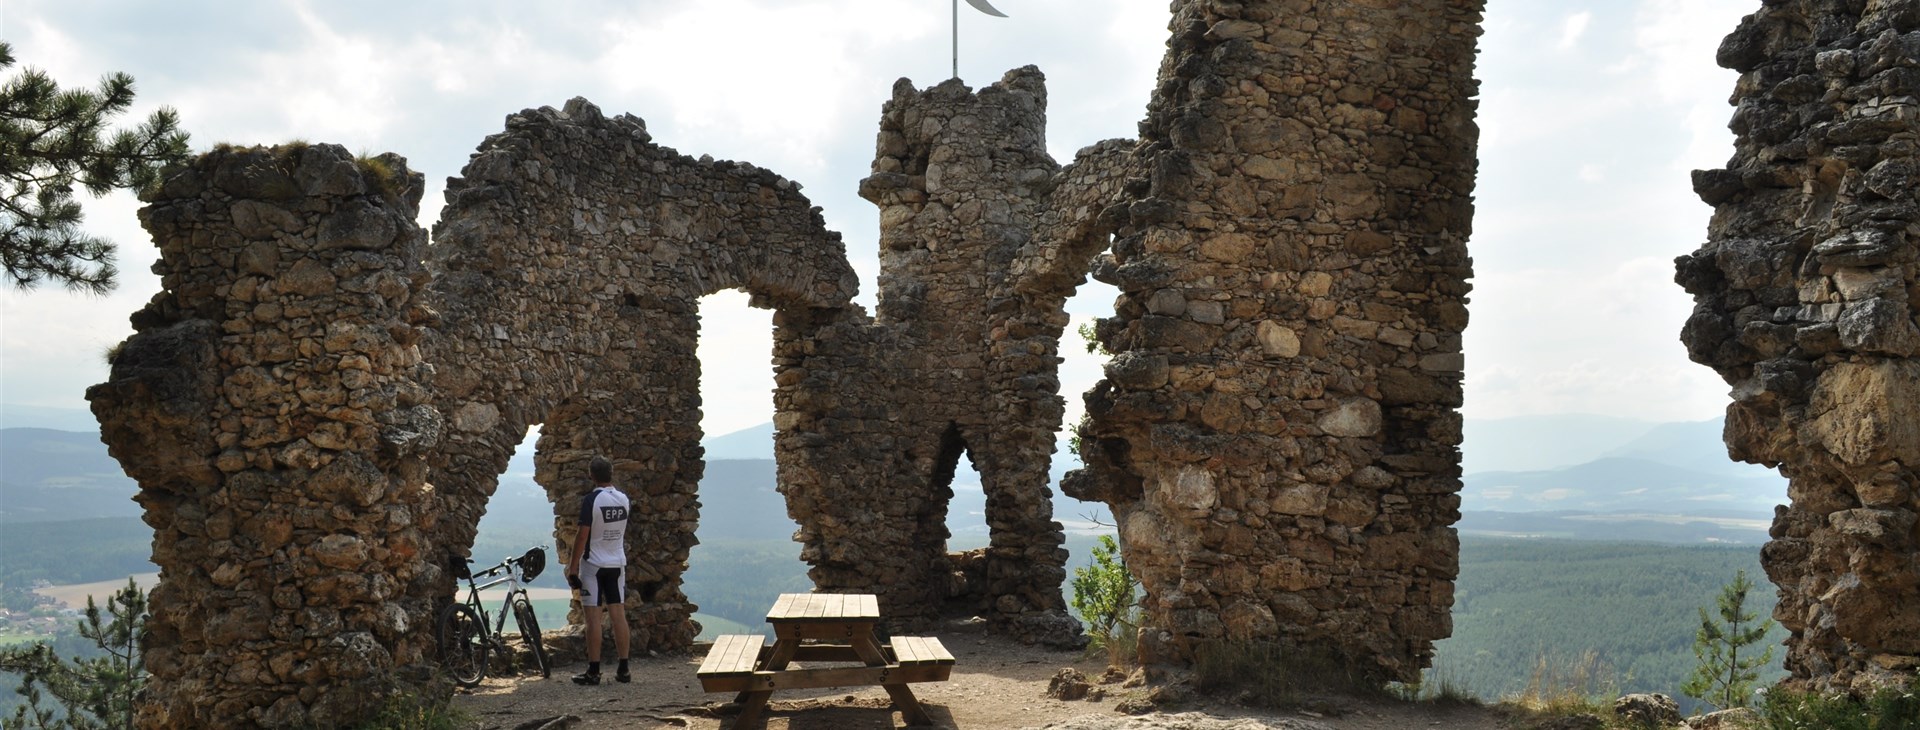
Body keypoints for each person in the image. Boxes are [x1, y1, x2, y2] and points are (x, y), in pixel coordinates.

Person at [566, 455, 632, 685]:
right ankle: (624, 668)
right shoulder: (623, 499)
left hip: (593, 565)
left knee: (593, 619)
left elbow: (583, 535)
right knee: (618, 615)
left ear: (591, 476)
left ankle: (593, 671)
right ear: (611, 474)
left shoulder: (592, 500)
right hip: (617, 564)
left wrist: (572, 568)